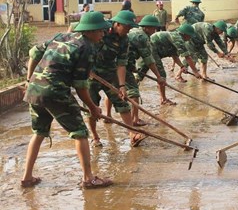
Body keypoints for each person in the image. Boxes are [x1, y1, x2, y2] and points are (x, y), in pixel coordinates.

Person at [22, 12, 113, 189]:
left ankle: (27, 177)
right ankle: (88, 178)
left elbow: (34, 52)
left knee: (39, 132)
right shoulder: (87, 48)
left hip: (35, 91)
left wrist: (29, 79)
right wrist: (93, 108)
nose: (103, 34)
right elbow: (80, 86)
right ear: (90, 31)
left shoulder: (62, 35)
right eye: (101, 31)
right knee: (80, 133)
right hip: (56, 92)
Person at [87, 10, 147, 148]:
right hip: (90, 74)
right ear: (117, 24)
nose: (128, 30)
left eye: (131, 28)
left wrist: (121, 86)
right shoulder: (101, 29)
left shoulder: (124, 40)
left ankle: (132, 134)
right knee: (92, 108)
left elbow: (121, 63)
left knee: (122, 102)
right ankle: (95, 137)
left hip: (109, 72)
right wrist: (86, 69)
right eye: (127, 27)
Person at [123, 15, 168, 125]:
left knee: (113, 90)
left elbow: (130, 51)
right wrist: (158, 77)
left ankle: (108, 116)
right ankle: (134, 120)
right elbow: (149, 60)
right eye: (153, 28)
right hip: (122, 66)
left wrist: (132, 66)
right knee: (134, 92)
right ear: (146, 27)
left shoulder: (134, 31)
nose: (154, 30)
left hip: (122, 63)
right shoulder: (142, 37)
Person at [137, 23, 202, 85]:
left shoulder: (176, 36)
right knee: (162, 75)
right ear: (185, 34)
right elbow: (188, 57)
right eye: (190, 36)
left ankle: (131, 87)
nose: (190, 38)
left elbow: (174, 55)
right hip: (151, 50)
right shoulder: (178, 39)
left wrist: (182, 66)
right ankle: (162, 97)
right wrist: (195, 72)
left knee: (141, 71)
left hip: (152, 50)